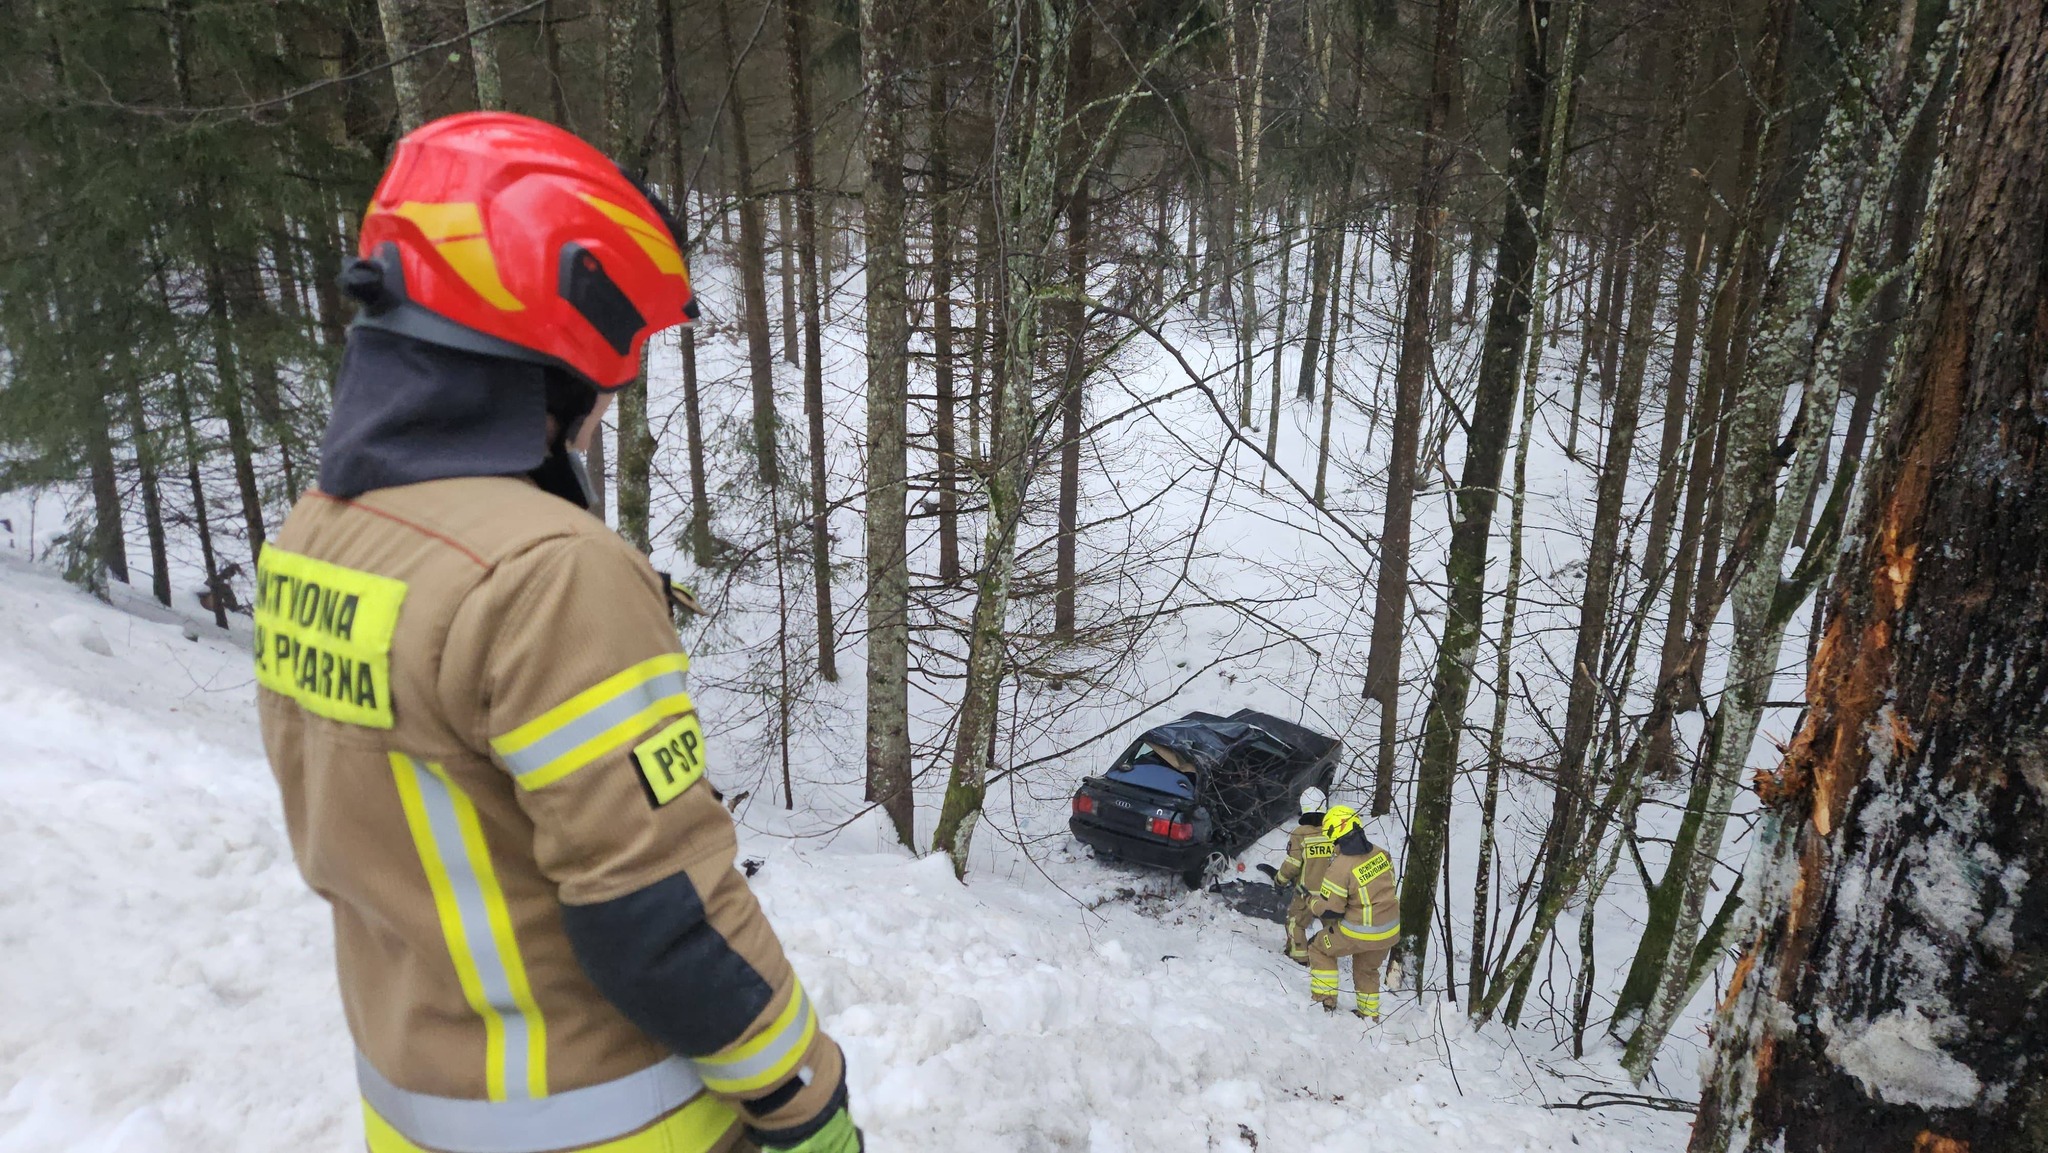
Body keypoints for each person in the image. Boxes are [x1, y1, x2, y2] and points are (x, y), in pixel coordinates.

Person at [254, 112, 859, 1153]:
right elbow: (655, 909)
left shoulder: (318, 536)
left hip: (413, 1112)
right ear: (564, 355)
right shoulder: (547, 571)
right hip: (618, 1122)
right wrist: (804, 1097)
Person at [1304, 805, 1400, 1019]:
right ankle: (1369, 1015)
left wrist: (1311, 901)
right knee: (1367, 969)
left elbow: (1331, 911)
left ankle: (1324, 1000)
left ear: (1333, 834)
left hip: (1359, 932)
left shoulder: (1340, 867)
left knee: (1319, 948)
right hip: (1388, 932)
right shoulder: (1381, 854)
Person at [1270, 787, 1333, 963]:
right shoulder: (1332, 831)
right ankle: (1329, 952)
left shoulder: (1300, 834)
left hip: (1306, 892)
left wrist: (1280, 880)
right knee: (1332, 926)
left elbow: (1293, 864)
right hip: (1332, 892)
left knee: (1295, 923)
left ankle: (1299, 956)